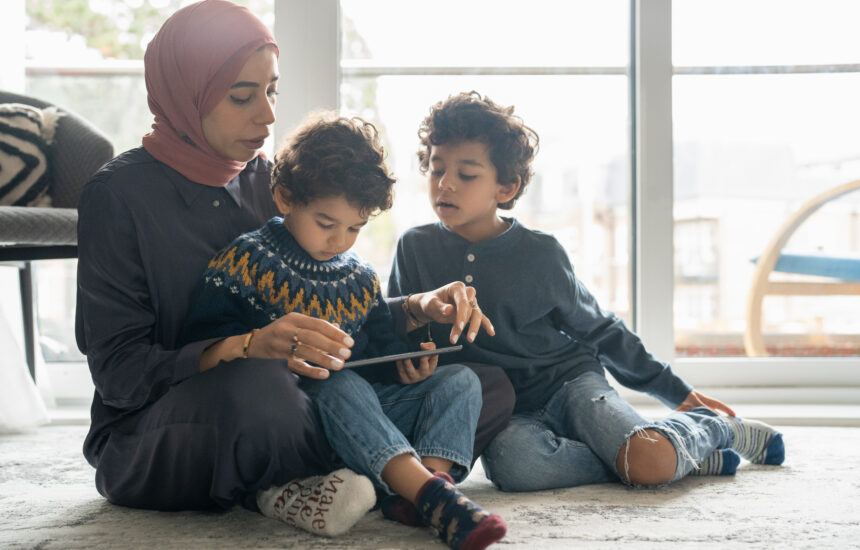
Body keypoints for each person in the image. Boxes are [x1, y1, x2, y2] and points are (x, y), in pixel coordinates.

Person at [74, 2, 513, 539]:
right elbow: (119, 374)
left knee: (485, 382)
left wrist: (419, 310)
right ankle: (379, 473)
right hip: (183, 420)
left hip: (311, 402)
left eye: (272, 91)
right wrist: (246, 346)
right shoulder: (117, 197)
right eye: (242, 95)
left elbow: (344, 311)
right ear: (186, 89)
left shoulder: (273, 179)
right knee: (267, 391)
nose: (267, 115)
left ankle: (374, 479)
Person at [388, 91, 786, 493]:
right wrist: (416, 362)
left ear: (506, 187)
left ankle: (710, 429)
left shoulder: (540, 253)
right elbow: (399, 330)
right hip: (508, 411)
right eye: (436, 170)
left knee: (647, 458)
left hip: (570, 385)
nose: (446, 185)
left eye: (467, 174)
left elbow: (601, 330)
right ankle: (669, 457)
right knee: (515, 470)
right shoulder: (413, 248)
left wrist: (676, 393)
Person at [181, 112, 507, 549]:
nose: (340, 241)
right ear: (284, 198)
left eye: (355, 227)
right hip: (302, 419)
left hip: (363, 415)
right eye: (326, 223)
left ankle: (420, 492)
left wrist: (403, 367)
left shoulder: (358, 275)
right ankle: (433, 497)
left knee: (461, 381)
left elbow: (377, 345)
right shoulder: (247, 261)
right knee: (342, 383)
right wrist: (267, 349)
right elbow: (209, 343)